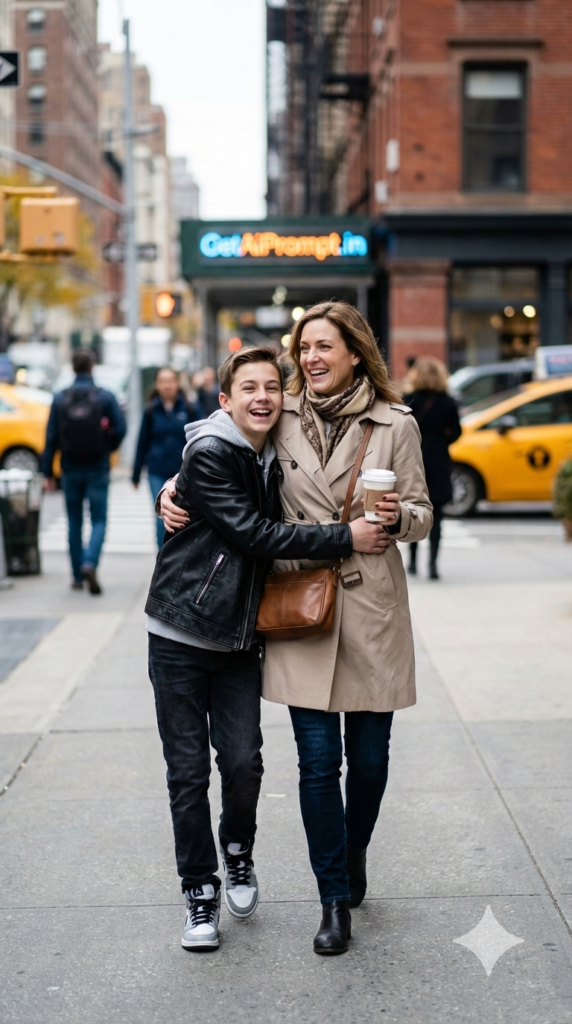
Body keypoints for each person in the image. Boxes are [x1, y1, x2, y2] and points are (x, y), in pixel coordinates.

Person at [146, 346, 388, 952]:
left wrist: (171, 487)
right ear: (224, 402)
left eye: (270, 387)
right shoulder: (210, 451)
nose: (262, 397)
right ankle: (199, 894)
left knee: (244, 763)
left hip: (239, 637)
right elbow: (254, 533)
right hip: (182, 630)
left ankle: (238, 850)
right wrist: (346, 537)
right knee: (187, 772)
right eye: (246, 388)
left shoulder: (273, 445)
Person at [260, 301, 432, 955]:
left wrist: (397, 520)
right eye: (304, 349)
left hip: (371, 608)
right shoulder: (276, 419)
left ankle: (352, 849)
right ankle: (333, 898)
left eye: (324, 347)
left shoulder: (396, 424)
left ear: (354, 352)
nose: (311, 359)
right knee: (315, 765)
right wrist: (172, 492)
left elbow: (422, 510)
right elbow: (213, 457)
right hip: (302, 604)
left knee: (368, 761)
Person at [41, 349, 126, 594]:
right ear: (92, 368)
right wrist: (107, 448)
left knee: (74, 521)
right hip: (98, 466)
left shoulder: (60, 398)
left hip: (70, 467)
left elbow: (51, 436)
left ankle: (77, 575)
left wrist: (48, 472)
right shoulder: (105, 397)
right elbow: (120, 428)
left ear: (72, 368)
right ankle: (90, 562)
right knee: (98, 519)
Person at [404, 357, 462, 579]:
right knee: (437, 515)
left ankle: (412, 562)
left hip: (414, 459)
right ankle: (433, 565)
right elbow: (457, 432)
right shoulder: (448, 402)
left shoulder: (408, 400)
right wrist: (441, 440)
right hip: (438, 459)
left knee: (412, 511)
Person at [132, 367, 201, 547]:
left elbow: (202, 437)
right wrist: (136, 473)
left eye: (170, 381)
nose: (167, 385)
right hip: (157, 470)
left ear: (177, 383)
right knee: (162, 516)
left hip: (184, 471)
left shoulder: (190, 407)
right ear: (157, 385)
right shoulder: (150, 410)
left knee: (184, 516)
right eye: (163, 381)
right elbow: (142, 442)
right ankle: (163, 560)